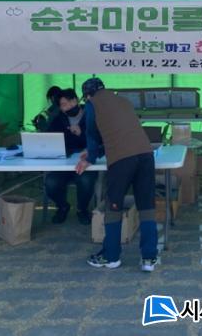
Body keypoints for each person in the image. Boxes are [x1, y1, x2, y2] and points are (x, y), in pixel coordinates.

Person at [76, 78, 158, 272]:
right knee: (146, 208)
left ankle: (111, 256)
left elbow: (91, 133)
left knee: (113, 206)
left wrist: (91, 157)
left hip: (122, 160)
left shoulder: (92, 104)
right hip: (146, 155)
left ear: (88, 95)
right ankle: (149, 258)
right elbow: (120, 132)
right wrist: (98, 152)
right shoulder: (123, 100)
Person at [44, 88, 97, 225]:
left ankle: (82, 209)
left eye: (70, 102)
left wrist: (81, 134)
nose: (68, 106)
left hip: (86, 161)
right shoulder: (58, 120)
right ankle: (63, 206)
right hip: (63, 162)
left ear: (76, 100)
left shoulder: (91, 115)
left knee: (86, 180)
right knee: (51, 182)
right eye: (63, 105)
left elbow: (99, 141)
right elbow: (47, 139)